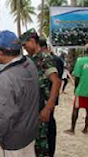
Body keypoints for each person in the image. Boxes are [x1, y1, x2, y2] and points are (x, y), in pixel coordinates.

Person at [0, 30, 40, 157]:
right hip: (29, 132)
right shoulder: (29, 64)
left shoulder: (6, 78)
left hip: (13, 140)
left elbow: (2, 115)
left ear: (0, 52)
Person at [20, 29, 62, 157]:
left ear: (32, 41)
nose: (24, 48)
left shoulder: (45, 58)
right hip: (31, 110)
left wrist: (48, 108)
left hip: (41, 109)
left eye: (24, 44)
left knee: (42, 147)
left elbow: (56, 82)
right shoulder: (29, 59)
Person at [64, 42, 88, 135]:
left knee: (76, 109)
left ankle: (72, 129)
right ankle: (85, 129)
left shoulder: (80, 61)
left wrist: (76, 88)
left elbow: (76, 77)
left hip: (81, 90)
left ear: (85, 51)